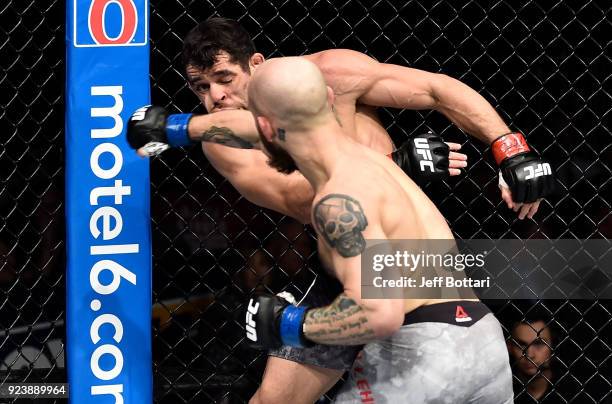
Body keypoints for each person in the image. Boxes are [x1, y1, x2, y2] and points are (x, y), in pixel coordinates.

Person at [126, 17, 554, 403]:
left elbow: (435, 88)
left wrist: (509, 148)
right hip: (359, 271)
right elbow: (300, 198)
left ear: (256, 65)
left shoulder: (329, 75)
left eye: (224, 78)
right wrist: (397, 167)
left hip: (401, 275)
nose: (216, 97)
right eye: (201, 88)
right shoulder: (234, 139)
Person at [243, 57, 513, 402]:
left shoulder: (337, 198)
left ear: (265, 128)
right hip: (484, 340)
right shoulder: (377, 162)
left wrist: (290, 323)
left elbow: (379, 312)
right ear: (328, 98)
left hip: (422, 356)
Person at [508, 315, 556, 402]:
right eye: (521, 344)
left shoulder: (572, 391)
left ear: (553, 346)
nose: (529, 355)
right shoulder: (499, 393)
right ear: (509, 347)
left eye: (538, 344)